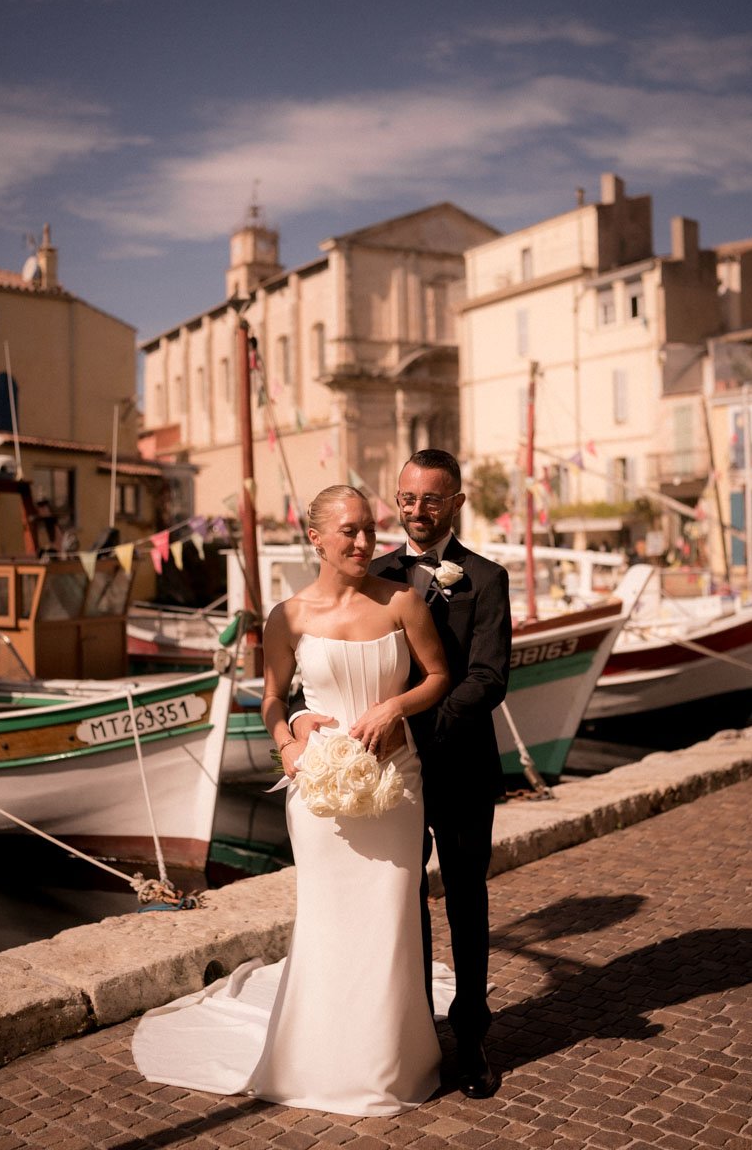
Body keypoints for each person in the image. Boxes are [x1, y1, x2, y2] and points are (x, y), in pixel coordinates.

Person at [132, 485, 450, 1117]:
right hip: (320, 792)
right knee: (330, 923)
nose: (364, 542)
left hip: (394, 785)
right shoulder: (288, 616)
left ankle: (390, 1064)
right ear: (316, 539)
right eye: (349, 532)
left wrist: (395, 705)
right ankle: (319, 1058)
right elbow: (272, 698)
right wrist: (289, 736)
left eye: (368, 529)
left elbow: (439, 677)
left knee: (389, 923)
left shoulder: (404, 603)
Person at [293, 449, 512, 1099]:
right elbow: (328, 652)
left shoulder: (488, 578)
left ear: (457, 503)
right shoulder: (372, 569)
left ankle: (471, 1036)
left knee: (467, 900)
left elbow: (488, 678)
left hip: (460, 763)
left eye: (432, 499)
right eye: (407, 498)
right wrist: (304, 723)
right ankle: (412, 1037)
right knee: (398, 903)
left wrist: (412, 725)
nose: (417, 511)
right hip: (384, 776)